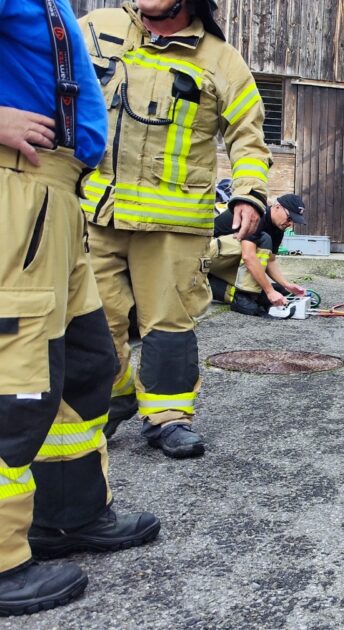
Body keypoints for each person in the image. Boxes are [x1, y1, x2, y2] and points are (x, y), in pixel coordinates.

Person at [0, 0, 160, 614]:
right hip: (17, 188)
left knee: (87, 362)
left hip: (57, 196)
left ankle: (68, 515)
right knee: (15, 379)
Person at [78, 0, 272, 457]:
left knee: (167, 324)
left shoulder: (221, 60)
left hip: (173, 223)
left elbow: (248, 135)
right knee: (90, 321)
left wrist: (248, 193)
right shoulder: (96, 28)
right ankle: (115, 394)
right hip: (96, 213)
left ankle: (167, 418)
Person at [208, 194, 309, 316]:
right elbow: (248, 256)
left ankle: (246, 294)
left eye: (293, 221)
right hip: (203, 256)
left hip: (219, 265)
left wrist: (286, 285)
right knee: (262, 239)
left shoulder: (278, 228)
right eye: (289, 218)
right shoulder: (256, 215)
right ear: (277, 207)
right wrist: (270, 291)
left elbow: (270, 261)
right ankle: (246, 293)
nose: (290, 223)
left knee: (270, 292)